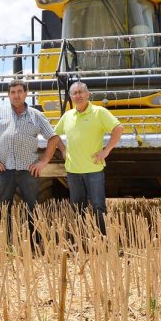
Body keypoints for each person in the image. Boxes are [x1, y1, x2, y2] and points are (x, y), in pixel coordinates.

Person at [0, 79, 63, 251]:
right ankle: (3, 242)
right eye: (12, 92)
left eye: (19, 91)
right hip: (5, 170)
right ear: (8, 95)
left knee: (32, 205)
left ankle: (34, 242)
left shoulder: (36, 115)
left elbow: (53, 138)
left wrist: (44, 161)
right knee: (4, 205)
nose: (16, 95)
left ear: (26, 93)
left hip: (28, 170)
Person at [54, 82, 123, 235]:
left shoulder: (99, 112)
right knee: (77, 207)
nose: (78, 96)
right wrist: (63, 149)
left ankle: (102, 239)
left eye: (81, 92)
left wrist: (106, 151)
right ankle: (81, 239)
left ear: (88, 94)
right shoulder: (67, 116)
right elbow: (54, 135)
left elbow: (118, 128)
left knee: (98, 206)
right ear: (71, 97)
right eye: (74, 93)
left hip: (94, 169)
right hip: (73, 171)